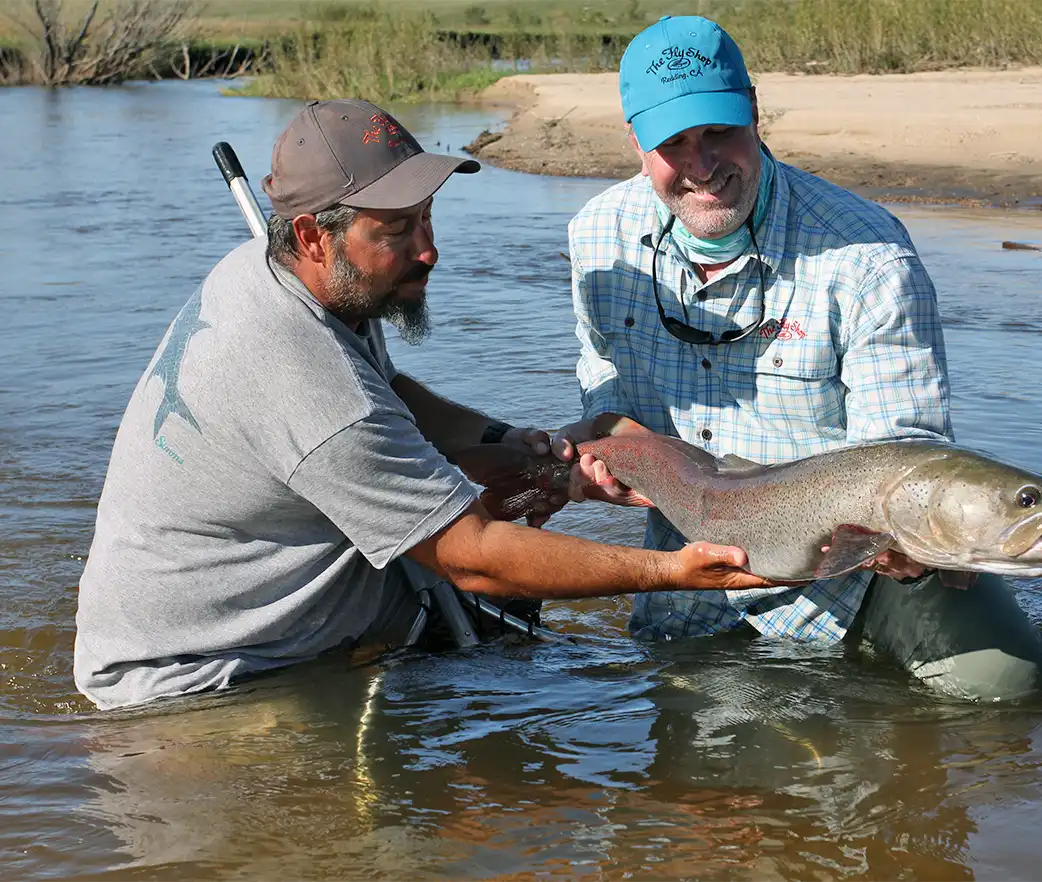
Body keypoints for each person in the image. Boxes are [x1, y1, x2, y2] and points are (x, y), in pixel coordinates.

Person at [72, 98, 787, 712]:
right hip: (201, 682)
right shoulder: (307, 380)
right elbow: (473, 557)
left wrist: (512, 443)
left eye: (427, 216)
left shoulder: (296, 276)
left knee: (505, 590)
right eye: (396, 231)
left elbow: (387, 392)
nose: (428, 250)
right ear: (314, 237)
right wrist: (671, 570)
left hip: (295, 597)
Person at [552, 16, 1042, 700]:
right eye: (673, 143)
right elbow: (602, 380)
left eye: (719, 132)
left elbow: (904, 446)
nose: (702, 166)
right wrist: (604, 447)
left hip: (854, 579)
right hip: (686, 565)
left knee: (1012, 689)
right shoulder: (596, 235)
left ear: (754, 111)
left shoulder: (868, 258)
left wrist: (909, 546)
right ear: (636, 143)